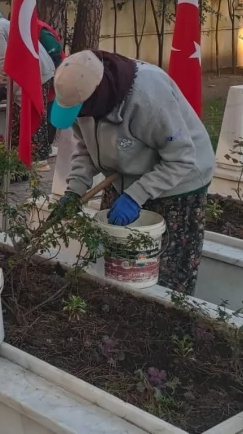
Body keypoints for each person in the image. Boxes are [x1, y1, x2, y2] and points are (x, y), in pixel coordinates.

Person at [50, 50, 215, 294]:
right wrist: (74, 190)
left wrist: (136, 195)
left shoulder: (147, 96)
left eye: (81, 112)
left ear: (97, 99)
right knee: (119, 266)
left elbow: (181, 158)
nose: (80, 118)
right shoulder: (81, 101)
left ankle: (166, 326)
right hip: (122, 178)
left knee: (165, 274)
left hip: (179, 183)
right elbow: (85, 147)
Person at [0, 6, 57, 163]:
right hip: (42, 71)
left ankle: (34, 158)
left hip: (30, 75)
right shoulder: (5, 25)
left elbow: (2, 64)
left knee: (31, 115)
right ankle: (22, 154)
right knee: (30, 114)